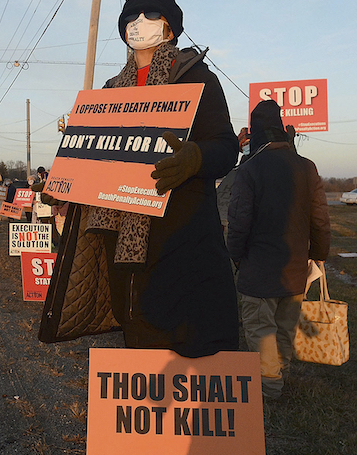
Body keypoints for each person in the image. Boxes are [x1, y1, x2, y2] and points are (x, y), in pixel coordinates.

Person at [39, 0, 240, 358]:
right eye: (131, 15)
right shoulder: (110, 91)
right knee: (139, 338)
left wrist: (195, 157)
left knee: (189, 343)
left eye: (150, 14)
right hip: (123, 249)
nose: (139, 22)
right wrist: (63, 185)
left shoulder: (198, 79)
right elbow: (90, 158)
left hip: (182, 240)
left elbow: (226, 148)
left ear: (170, 27)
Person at [227, 99, 331, 399]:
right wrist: (320, 255)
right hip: (295, 269)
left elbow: (238, 222)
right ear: (283, 130)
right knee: (285, 329)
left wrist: (237, 257)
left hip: (258, 270)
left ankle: (269, 389)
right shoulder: (307, 167)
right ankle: (279, 376)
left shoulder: (250, 169)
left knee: (261, 331)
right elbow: (320, 218)